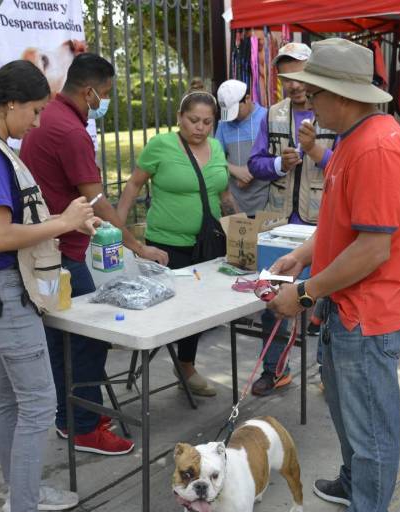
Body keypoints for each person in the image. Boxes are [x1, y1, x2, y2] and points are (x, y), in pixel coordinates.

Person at [267, 38, 400, 512]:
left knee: (371, 422)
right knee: (347, 408)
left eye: (313, 93)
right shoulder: (355, 139)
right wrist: (302, 254)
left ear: (343, 95)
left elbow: (374, 246)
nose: (307, 102)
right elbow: (344, 224)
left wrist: (307, 291)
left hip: (367, 310)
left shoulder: (377, 147)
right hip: (346, 305)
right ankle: (358, 485)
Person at [0, 61, 101, 512]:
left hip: (1, 289)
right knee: (39, 403)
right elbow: (1, 235)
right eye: (34, 111)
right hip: (5, 291)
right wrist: (64, 222)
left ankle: (24, 495)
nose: (37, 122)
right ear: (11, 104)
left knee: (7, 401)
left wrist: (63, 221)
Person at [21, 53, 159, 456]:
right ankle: (82, 425)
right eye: (108, 95)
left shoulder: (49, 118)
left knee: (63, 341)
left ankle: (72, 417)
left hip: (52, 249)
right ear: (90, 92)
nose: (107, 101)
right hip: (66, 251)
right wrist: (135, 245)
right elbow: (96, 200)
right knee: (87, 340)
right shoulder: (68, 130)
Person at [115, 92, 241, 397]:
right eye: (193, 120)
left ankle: (186, 364)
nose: (199, 127)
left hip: (209, 243)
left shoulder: (215, 147)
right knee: (175, 308)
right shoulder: (161, 146)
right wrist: (118, 226)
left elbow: (223, 194)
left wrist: (241, 225)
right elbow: (134, 183)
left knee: (201, 307)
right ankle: (158, 361)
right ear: (180, 118)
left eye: (207, 122)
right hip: (167, 245)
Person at [248, 42, 337, 397]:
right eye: (287, 76)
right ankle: (275, 370)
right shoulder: (272, 115)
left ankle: (329, 374)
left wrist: (316, 150)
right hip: (280, 225)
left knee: (327, 301)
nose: (295, 83)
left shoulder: (331, 113)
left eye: (300, 74)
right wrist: (276, 164)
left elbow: (347, 170)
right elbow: (255, 165)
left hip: (320, 224)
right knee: (276, 300)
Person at [215, 79, 271, 216]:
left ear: (247, 99)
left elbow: (277, 154)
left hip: (266, 202)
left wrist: (253, 170)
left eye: (235, 110)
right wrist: (235, 170)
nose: (232, 117)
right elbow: (214, 157)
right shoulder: (224, 124)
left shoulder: (267, 117)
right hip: (235, 203)